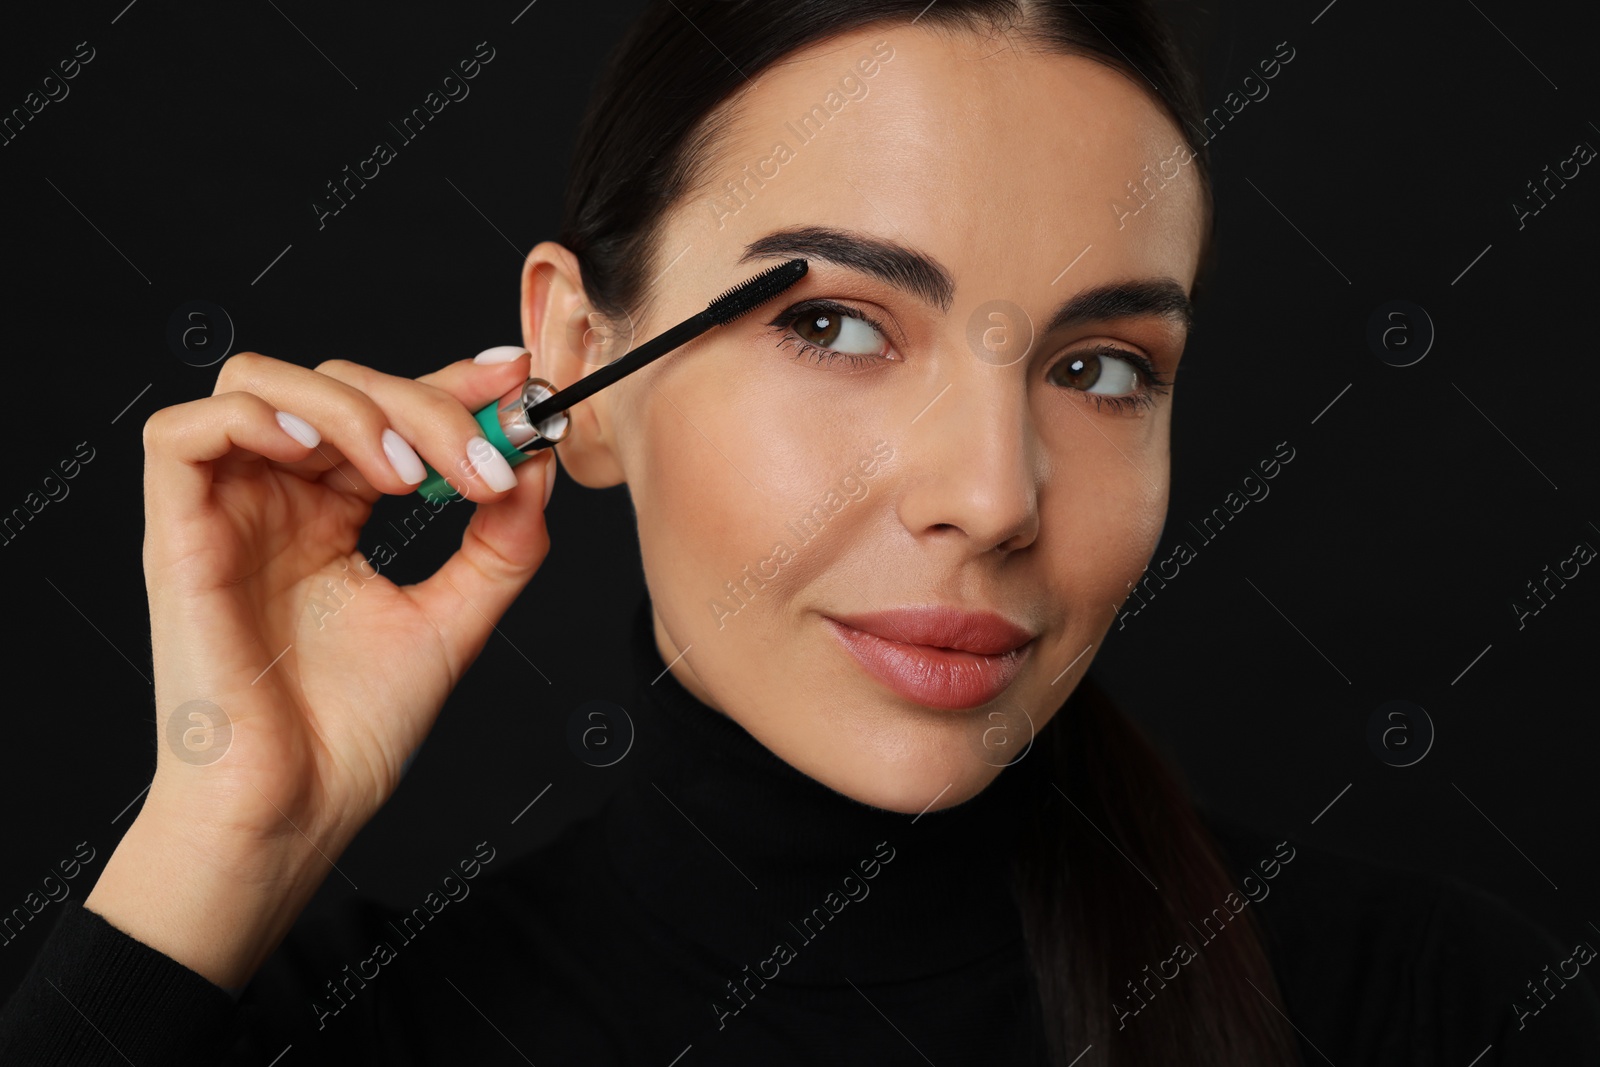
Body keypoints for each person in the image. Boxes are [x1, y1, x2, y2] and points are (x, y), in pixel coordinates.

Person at [2, 1, 1596, 1063]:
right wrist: (225, 831)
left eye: (1100, 366)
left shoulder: (1434, 1006)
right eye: (834, 326)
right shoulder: (292, 1032)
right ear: (575, 369)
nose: (992, 494)